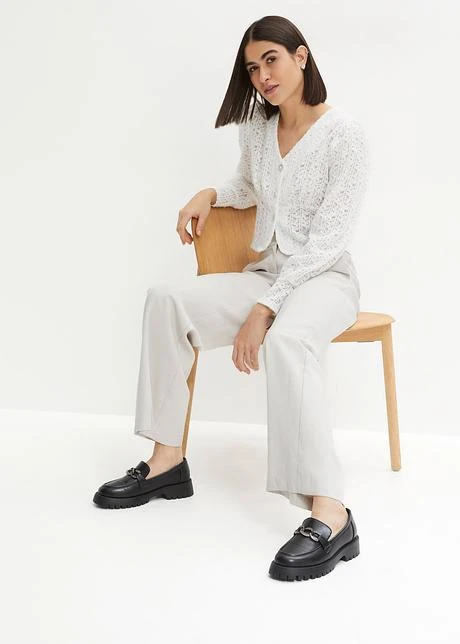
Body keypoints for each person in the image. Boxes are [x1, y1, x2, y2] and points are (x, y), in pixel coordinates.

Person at [93, 15, 369, 582]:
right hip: (266, 273)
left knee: (288, 340)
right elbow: (249, 186)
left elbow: (327, 241)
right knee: (166, 300)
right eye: (252, 67)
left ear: (300, 56)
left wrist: (266, 310)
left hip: (325, 280)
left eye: (271, 59)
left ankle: (331, 513)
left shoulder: (345, 134)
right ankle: (167, 461)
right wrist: (211, 192)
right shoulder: (258, 130)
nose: (262, 75)